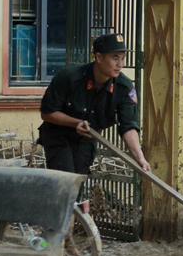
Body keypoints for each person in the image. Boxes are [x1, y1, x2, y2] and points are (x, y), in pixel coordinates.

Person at [39, 33, 151, 174]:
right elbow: (47, 113)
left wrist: (140, 158)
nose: (120, 65)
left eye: (123, 58)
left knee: (78, 182)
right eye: (115, 58)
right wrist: (75, 123)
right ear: (99, 57)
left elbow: (128, 126)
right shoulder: (69, 77)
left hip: (88, 138)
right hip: (58, 136)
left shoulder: (124, 88)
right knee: (64, 179)